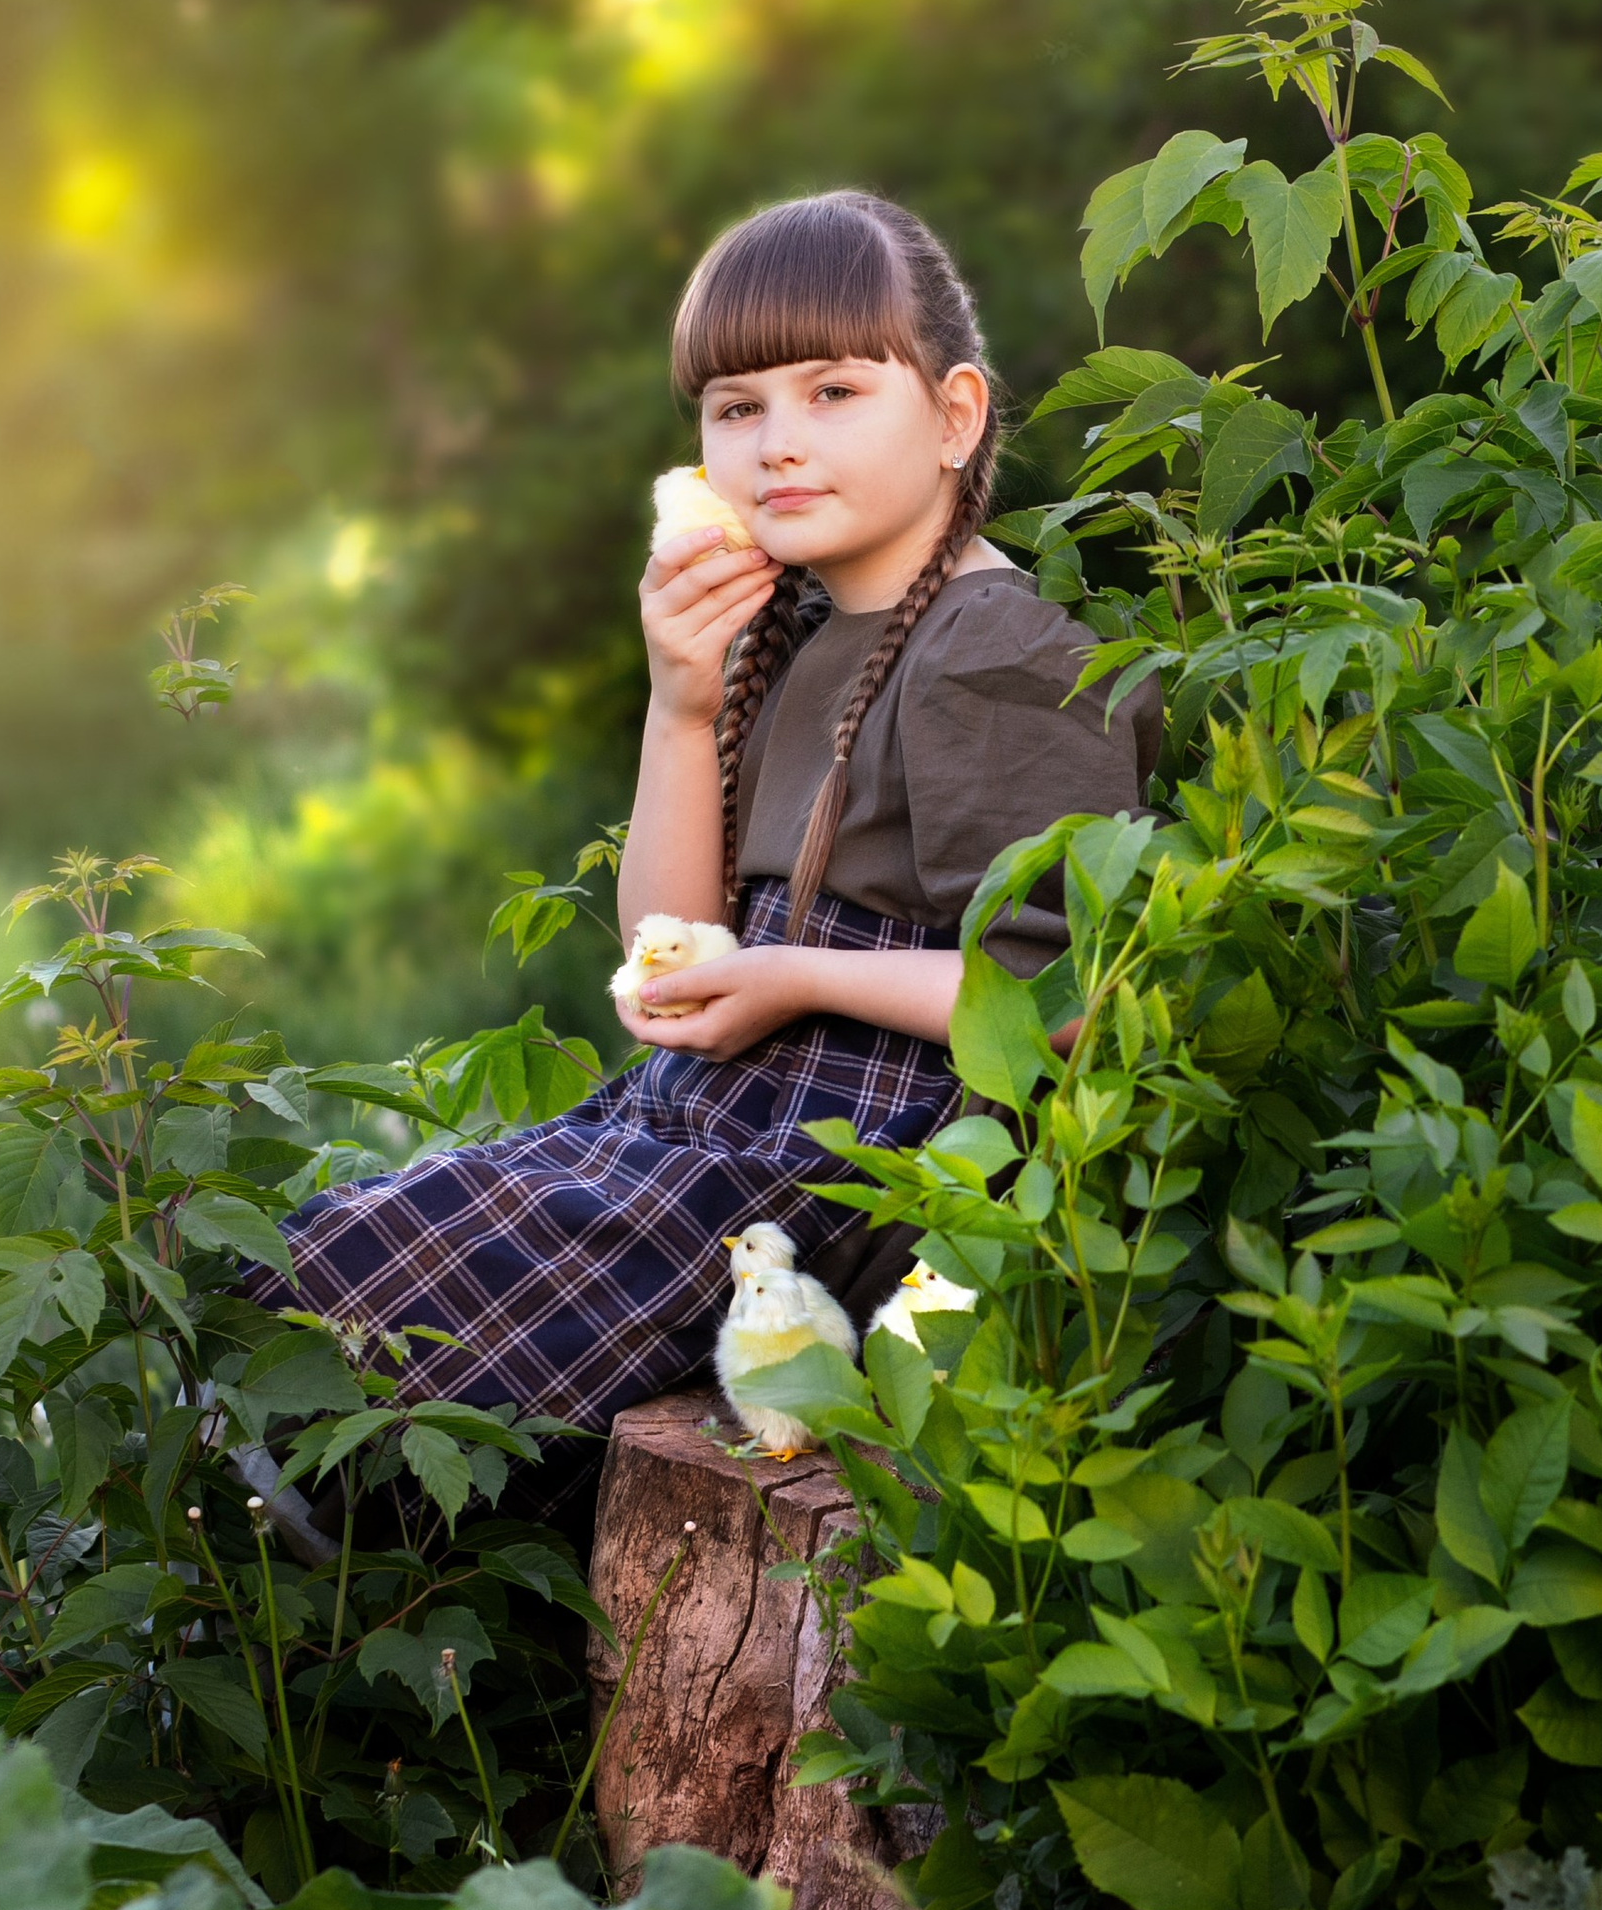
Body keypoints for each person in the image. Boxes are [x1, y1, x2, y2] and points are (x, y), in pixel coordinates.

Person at [262, 187, 1163, 1441]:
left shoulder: (992, 649)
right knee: (328, 1248)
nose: (776, 442)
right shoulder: (786, 631)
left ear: (955, 415)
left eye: (832, 392)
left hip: (857, 1161)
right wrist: (681, 706)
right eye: (737, 408)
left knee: (384, 1294)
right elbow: (672, 940)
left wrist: (797, 976)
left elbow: (1066, 1005)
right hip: (711, 1116)